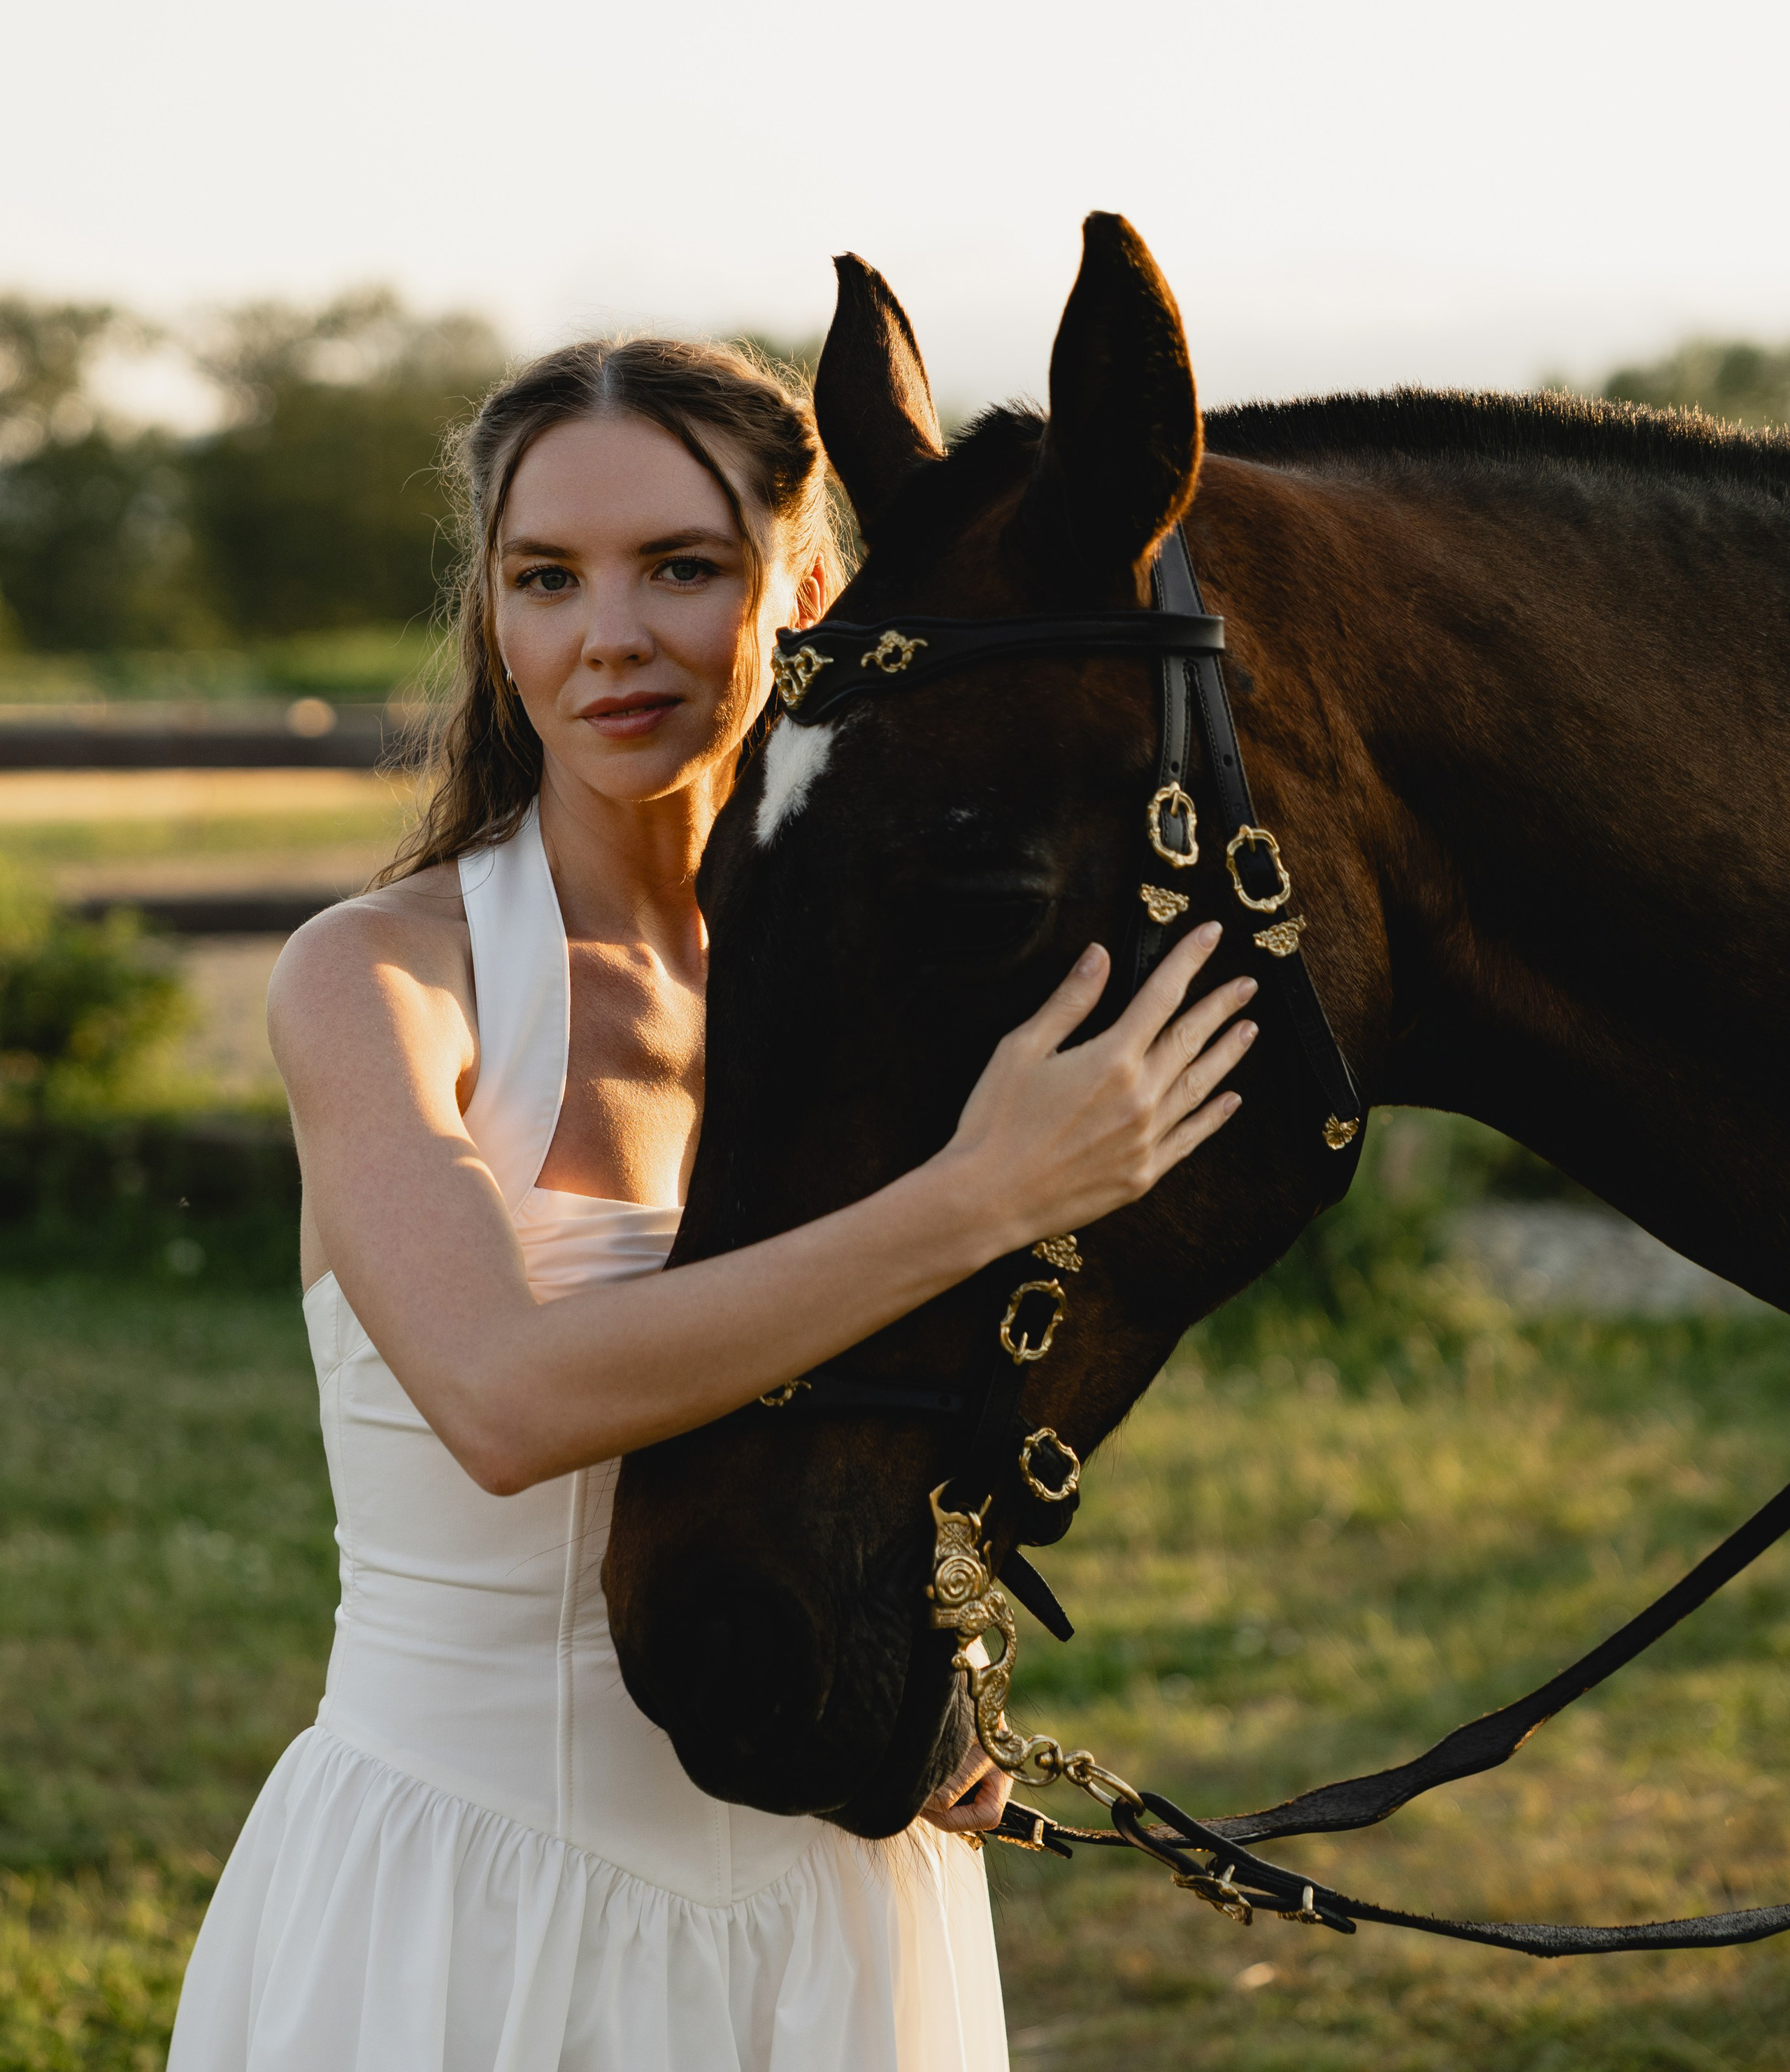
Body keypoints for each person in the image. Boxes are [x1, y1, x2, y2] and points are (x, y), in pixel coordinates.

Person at [166, 335, 1258, 2072]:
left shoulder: (883, 1004)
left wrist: (922, 1669)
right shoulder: (381, 982)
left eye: (680, 567)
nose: (608, 635)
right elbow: (501, 1398)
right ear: (494, 619)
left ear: (805, 591)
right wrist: (980, 1194)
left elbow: (923, 1401)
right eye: (547, 577)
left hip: (838, 1899)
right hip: (471, 1906)